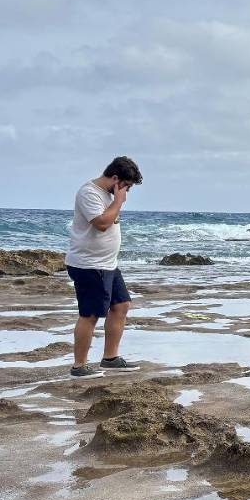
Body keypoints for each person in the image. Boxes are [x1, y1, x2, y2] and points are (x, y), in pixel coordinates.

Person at [66, 156, 143, 378]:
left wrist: (115, 199)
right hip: (89, 265)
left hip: (108, 264)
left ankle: (110, 358)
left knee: (121, 305)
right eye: (126, 186)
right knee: (90, 314)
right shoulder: (88, 193)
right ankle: (79, 366)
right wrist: (118, 201)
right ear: (115, 178)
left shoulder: (108, 195)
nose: (127, 191)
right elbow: (101, 224)